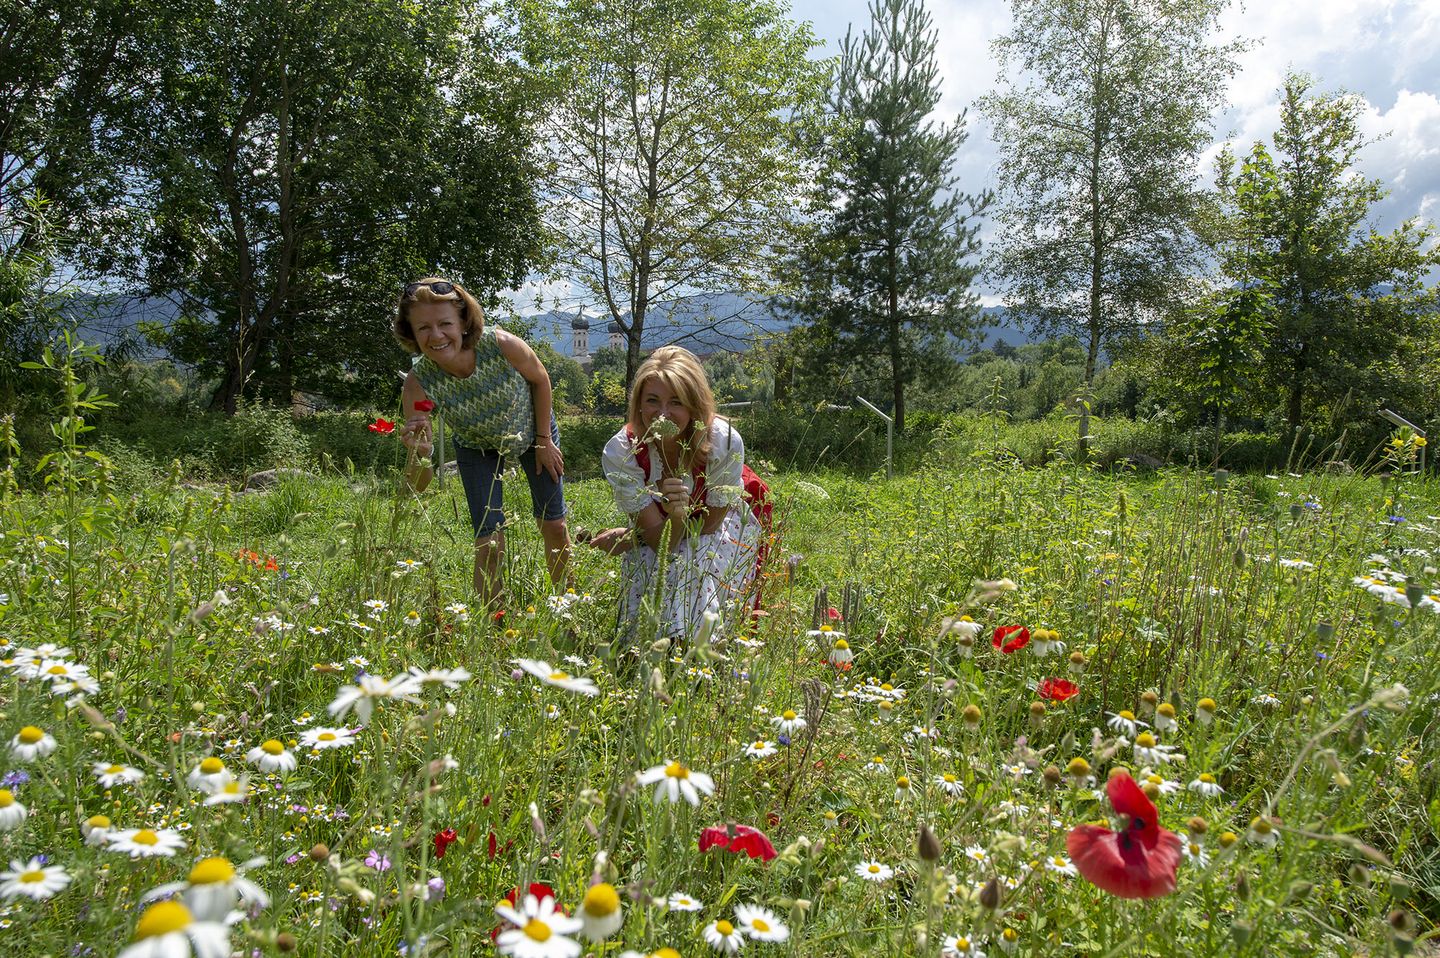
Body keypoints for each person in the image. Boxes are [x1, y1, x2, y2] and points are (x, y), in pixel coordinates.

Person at [392, 278, 570, 607]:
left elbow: (541, 379)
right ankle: (495, 623)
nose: (436, 335)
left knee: (554, 525)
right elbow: (419, 484)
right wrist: (421, 454)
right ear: (412, 333)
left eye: (445, 323)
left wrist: (544, 440)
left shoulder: (502, 345)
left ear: (463, 321)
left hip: (534, 430)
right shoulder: (418, 383)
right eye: (424, 328)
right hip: (476, 446)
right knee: (489, 542)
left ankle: (568, 608)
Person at [591, 346, 764, 638]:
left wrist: (633, 537)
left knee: (694, 558)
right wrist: (671, 519)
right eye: (652, 400)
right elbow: (660, 544)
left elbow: (710, 525)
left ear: (694, 406)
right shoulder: (622, 451)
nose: (663, 413)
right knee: (654, 560)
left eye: (676, 402)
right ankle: (648, 645)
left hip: (722, 522)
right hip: (664, 531)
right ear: (639, 404)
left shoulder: (723, 440)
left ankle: (699, 645)